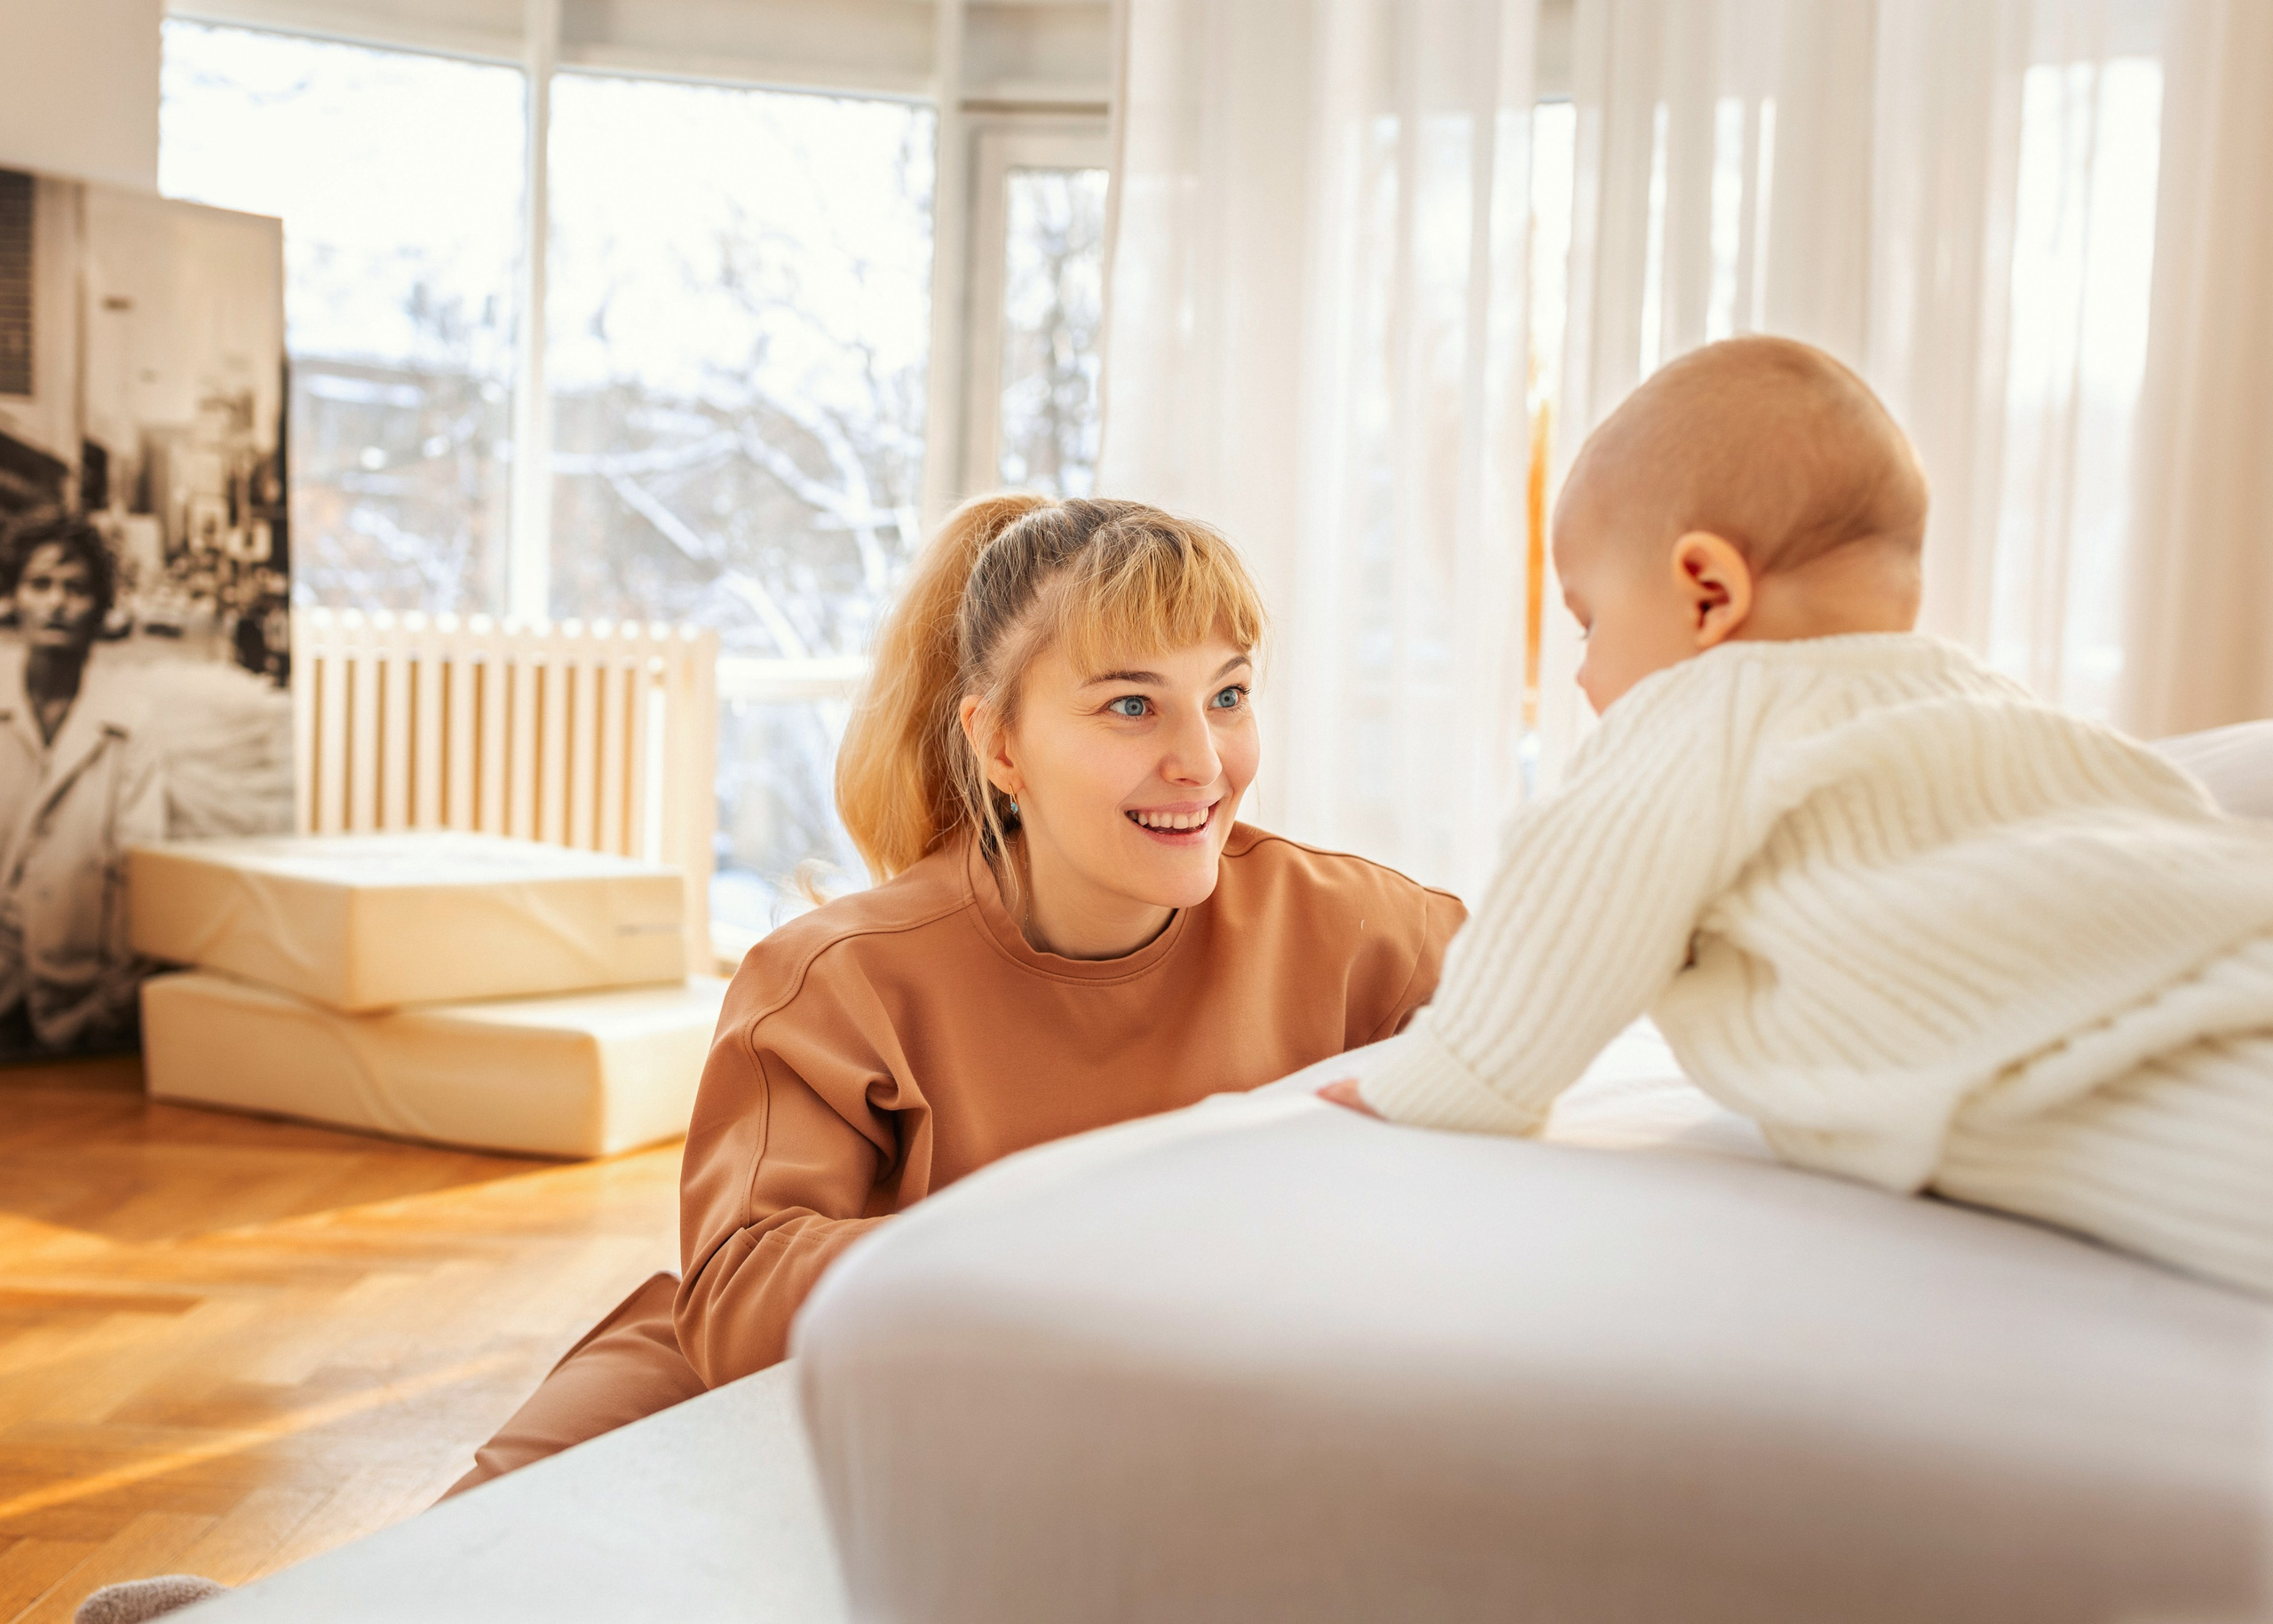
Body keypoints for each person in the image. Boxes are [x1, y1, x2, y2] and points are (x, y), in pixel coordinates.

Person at [447, 494, 1466, 1493]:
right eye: (1131, 704)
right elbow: (740, 1299)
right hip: (800, 1398)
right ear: (999, 744)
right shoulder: (836, 980)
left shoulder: (1356, 928)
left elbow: (1534, 1060)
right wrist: (1083, 1242)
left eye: (1228, 696)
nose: (1202, 762)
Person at [1325, 334, 2273, 1299]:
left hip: (2073, 1076)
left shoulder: (1710, 702)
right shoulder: (1992, 701)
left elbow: (1567, 902)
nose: (1581, 671)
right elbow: (2165, 819)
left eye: (1590, 622)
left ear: (1708, 593)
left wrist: (1449, 1074)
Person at [0, 511, 162, 1054]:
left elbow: (140, 870)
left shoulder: (128, 723)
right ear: (13, 597)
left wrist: (111, 1005)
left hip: (81, 1008)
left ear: (101, 609)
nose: (57, 602)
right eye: (39, 584)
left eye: (76, 588)